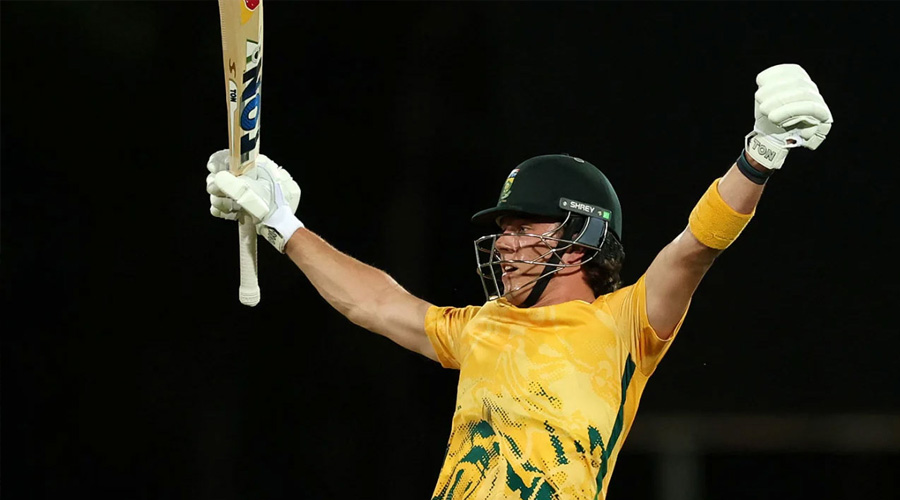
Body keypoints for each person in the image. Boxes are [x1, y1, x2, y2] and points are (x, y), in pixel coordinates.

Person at [205, 63, 832, 499]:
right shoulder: (482, 326)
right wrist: (284, 226)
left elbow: (695, 249)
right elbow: (374, 302)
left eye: (525, 228)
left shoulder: (626, 324)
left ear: (582, 236)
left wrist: (760, 155)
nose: (505, 244)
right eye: (503, 230)